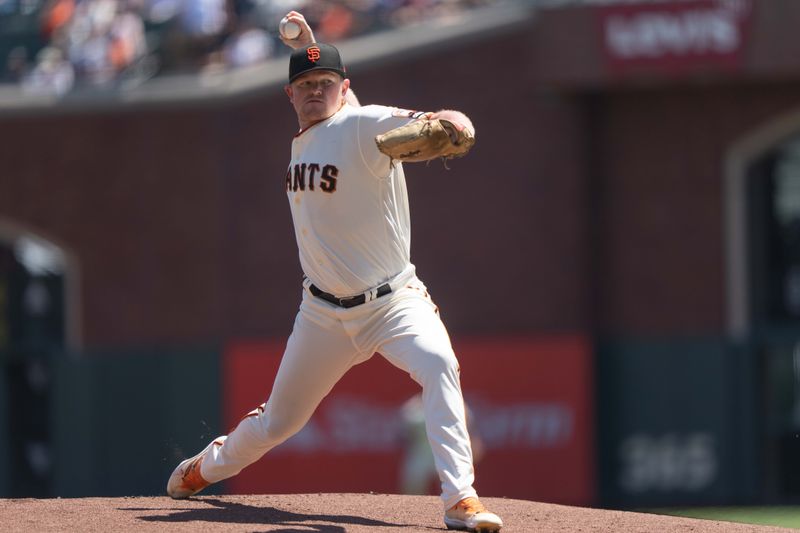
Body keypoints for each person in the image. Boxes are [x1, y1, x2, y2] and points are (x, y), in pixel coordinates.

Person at [166, 11, 502, 533]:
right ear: (290, 96)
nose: (315, 91)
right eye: (304, 85)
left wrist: (455, 124)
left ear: (345, 89)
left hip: (394, 302)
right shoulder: (312, 133)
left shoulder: (365, 123)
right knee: (280, 421)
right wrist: (309, 45)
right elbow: (326, 87)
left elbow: (444, 123)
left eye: (326, 84)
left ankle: (461, 499)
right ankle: (204, 468)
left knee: (439, 364)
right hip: (321, 312)